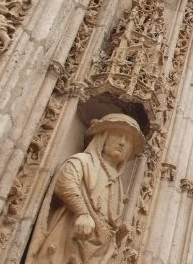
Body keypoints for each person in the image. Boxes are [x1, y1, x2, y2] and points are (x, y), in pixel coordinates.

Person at [28, 113, 146, 264]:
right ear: (103, 137)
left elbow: (109, 218)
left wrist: (118, 234)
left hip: (98, 249)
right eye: (118, 135)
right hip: (71, 236)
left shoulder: (118, 183)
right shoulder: (83, 161)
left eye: (128, 140)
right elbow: (65, 183)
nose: (123, 143)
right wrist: (83, 213)